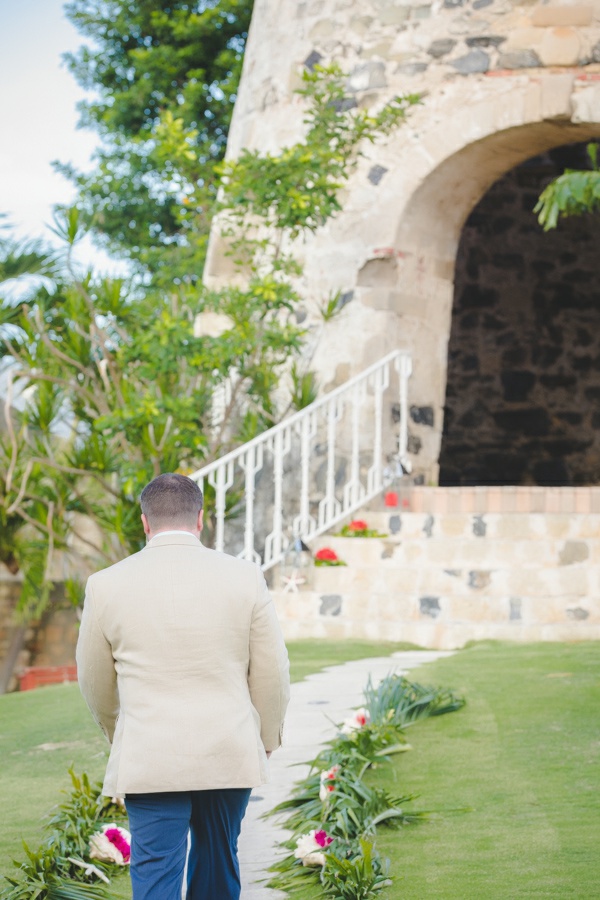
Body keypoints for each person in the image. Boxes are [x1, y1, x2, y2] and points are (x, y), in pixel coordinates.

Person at [76, 473, 290, 900]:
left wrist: (121, 734)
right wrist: (265, 737)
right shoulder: (244, 577)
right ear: (200, 519)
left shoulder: (105, 585)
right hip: (227, 748)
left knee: (155, 874)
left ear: (145, 522)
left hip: (150, 753)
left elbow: (95, 682)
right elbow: (273, 672)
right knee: (217, 861)